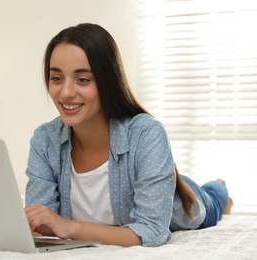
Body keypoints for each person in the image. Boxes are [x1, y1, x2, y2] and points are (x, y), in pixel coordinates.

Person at [24, 23, 233, 247]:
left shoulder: (146, 133)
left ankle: (220, 188)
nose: (65, 93)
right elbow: (42, 224)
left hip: (182, 201)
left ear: (107, 81)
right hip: (152, 176)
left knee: (211, 200)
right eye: (56, 78)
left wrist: (69, 227)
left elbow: (152, 230)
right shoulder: (45, 140)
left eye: (83, 79)